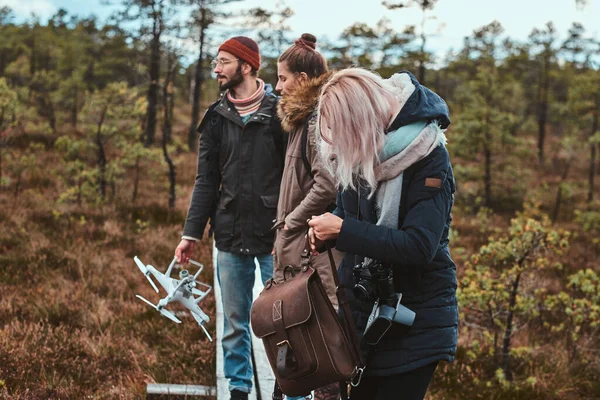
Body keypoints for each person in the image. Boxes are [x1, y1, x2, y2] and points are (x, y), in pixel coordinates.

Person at [308, 68, 458, 400]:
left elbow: (419, 246)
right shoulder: (364, 150)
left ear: (361, 120)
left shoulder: (429, 157)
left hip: (413, 320)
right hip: (363, 316)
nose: (339, 145)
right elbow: (348, 212)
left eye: (342, 132)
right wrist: (329, 230)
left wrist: (344, 230)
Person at [175, 36, 285, 400]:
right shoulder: (216, 117)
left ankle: (292, 390)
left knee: (285, 321)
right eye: (216, 62)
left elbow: (296, 175)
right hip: (229, 235)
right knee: (234, 322)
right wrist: (190, 234)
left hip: (276, 237)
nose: (216, 69)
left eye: (223, 62)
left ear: (247, 66)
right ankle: (238, 387)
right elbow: (206, 180)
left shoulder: (281, 113)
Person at [273, 33, 342, 400]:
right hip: (299, 247)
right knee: (296, 339)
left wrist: (291, 221)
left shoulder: (316, 121)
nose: (277, 85)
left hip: (311, 252)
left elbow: (326, 185)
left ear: (302, 80)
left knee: (318, 342)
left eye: (282, 78)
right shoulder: (300, 120)